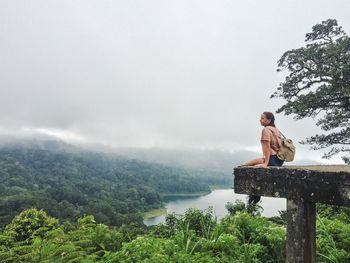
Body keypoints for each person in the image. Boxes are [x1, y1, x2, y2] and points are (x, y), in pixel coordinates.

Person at [244, 111, 284, 204]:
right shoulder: (276, 130)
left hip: (272, 159)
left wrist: (265, 163)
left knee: (246, 166)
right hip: (279, 160)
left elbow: (267, 147)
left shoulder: (265, 130)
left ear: (269, 120)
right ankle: (254, 194)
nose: (260, 120)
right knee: (249, 164)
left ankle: (255, 194)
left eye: (262, 118)